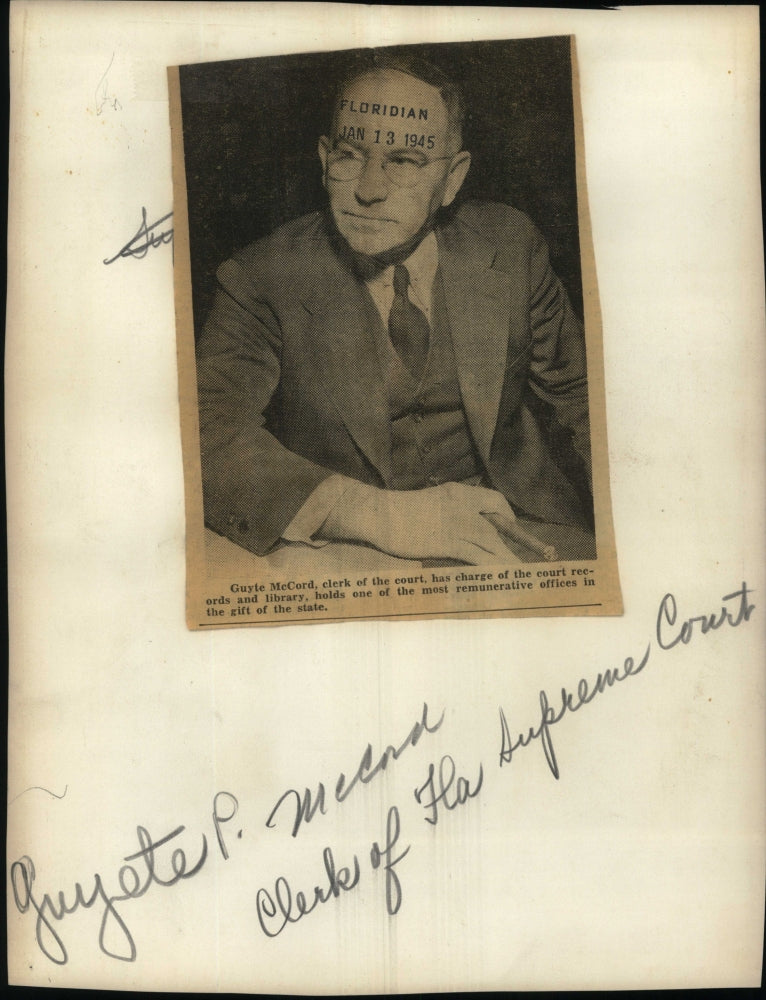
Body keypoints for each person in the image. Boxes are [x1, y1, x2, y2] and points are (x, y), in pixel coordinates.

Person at [196, 53, 595, 566]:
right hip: (355, 546)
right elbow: (203, 429)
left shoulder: (510, 246)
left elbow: (583, 399)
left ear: (453, 178)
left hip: (524, 526)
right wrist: (374, 515)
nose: (369, 190)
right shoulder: (261, 275)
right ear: (324, 161)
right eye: (350, 155)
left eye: (405, 161)